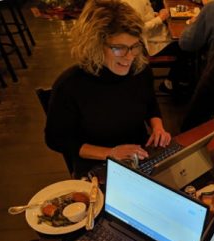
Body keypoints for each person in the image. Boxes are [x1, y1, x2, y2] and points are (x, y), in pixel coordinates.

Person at [45, 0, 171, 179]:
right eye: (119, 48)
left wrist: (158, 128)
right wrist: (110, 153)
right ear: (94, 45)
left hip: (140, 156)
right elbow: (56, 139)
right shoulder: (70, 85)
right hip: (96, 164)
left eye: (134, 46)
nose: (129, 57)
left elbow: (150, 104)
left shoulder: (140, 69)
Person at [122, 0, 193, 94]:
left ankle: (182, 79)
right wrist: (159, 18)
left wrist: (155, 15)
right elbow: (137, 29)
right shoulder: (131, 3)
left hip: (156, 34)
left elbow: (143, 16)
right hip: (151, 42)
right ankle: (170, 84)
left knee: (187, 41)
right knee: (186, 46)